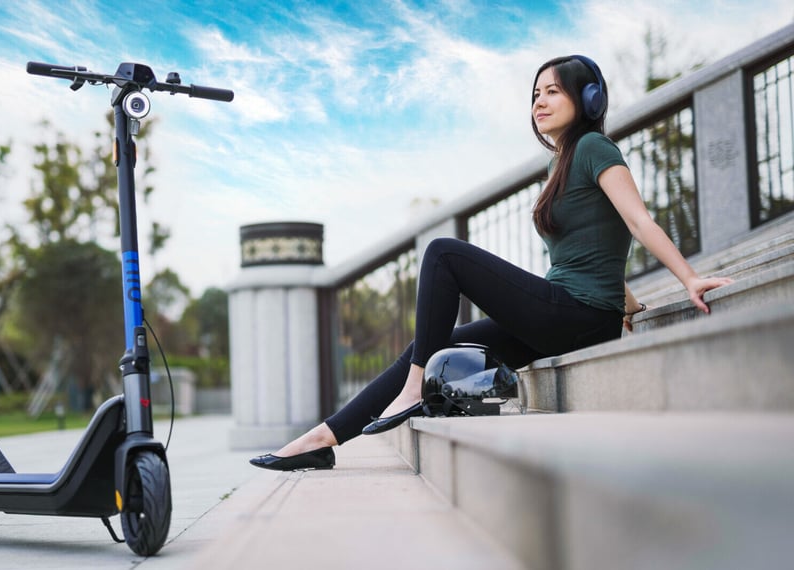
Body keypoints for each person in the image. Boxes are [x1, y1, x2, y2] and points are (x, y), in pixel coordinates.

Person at [249, 55, 733, 471]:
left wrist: (688, 278)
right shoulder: (559, 165)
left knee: (443, 254)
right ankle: (323, 441)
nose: (538, 102)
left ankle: (415, 389)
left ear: (588, 101)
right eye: (535, 94)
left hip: (574, 313)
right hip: (574, 312)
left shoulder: (593, 148)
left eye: (552, 92)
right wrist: (627, 304)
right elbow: (596, 245)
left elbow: (637, 221)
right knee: (430, 343)